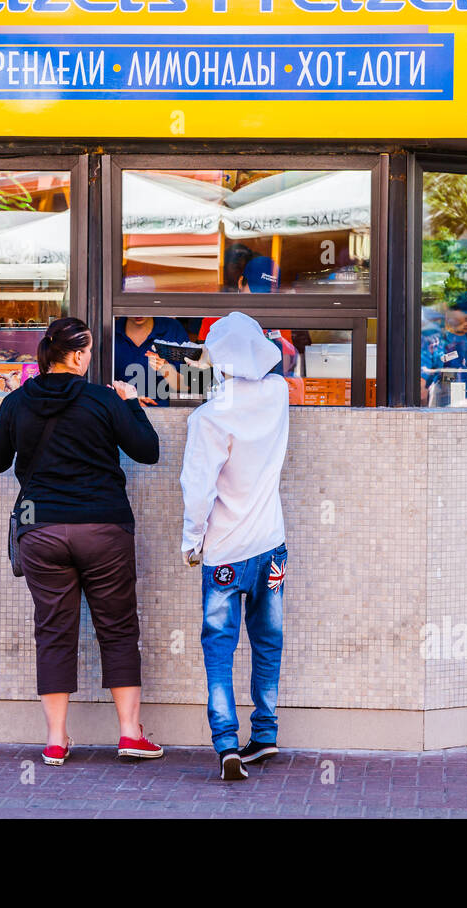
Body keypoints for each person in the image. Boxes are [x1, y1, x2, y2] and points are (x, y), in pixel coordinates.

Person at [0, 317, 165, 766]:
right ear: (80, 355)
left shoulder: (17, 400)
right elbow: (148, 450)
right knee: (118, 628)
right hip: (103, 527)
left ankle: (57, 740)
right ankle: (128, 734)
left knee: (53, 630)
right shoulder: (103, 398)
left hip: (40, 529)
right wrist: (130, 403)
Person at [180, 312, 290, 781]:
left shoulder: (208, 417)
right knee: (268, 643)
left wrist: (191, 542)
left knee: (219, 651)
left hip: (224, 552)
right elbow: (274, 362)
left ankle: (226, 743)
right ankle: (264, 735)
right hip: (272, 545)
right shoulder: (280, 395)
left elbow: (197, 488)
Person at [113, 315, 191, 406]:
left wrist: (166, 369)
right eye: (134, 305)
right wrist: (128, 400)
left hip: (166, 415)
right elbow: (101, 384)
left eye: (142, 304)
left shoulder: (172, 329)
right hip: (122, 413)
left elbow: (187, 386)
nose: (138, 313)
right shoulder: (111, 328)